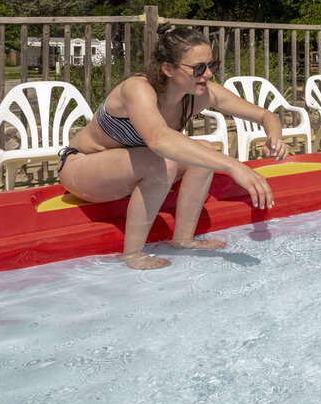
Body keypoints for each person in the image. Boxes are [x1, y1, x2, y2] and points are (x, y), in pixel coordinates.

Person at [58, 24, 287, 270]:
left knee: (205, 151)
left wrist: (274, 136)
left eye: (212, 65)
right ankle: (132, 253)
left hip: (131, 172)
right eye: (198, 68)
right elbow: (158, 139)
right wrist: (233, 166)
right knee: (161, 161)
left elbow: (265, 115)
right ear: (168, 68)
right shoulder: (138, 89)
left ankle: (183, 239)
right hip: (83, 168)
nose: (208, 74)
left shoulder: (199, 94)